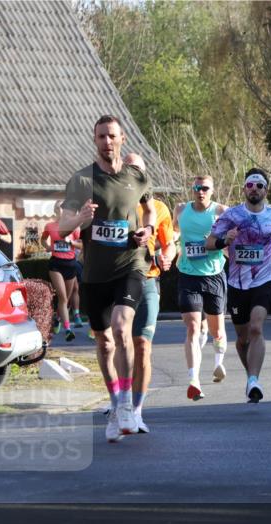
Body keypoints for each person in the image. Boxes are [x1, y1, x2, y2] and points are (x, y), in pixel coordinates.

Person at [60, 115, 155, 442]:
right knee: (104, 342)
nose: (107, 142)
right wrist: (79, 218)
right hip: (95, 275)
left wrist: (149, 229)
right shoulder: (82, 180)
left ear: (122, 138)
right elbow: (59, 227)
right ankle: (115, 403)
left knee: (121, 326)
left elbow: (149, 208)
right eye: (101, 136)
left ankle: (127, 404)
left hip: (130, 266)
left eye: (112, 136)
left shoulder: (136, 176)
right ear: (95, 139)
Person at [206, 168, 271, 403]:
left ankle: (254, 380)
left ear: (266, 190)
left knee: (256, 328)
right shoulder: (231, 215)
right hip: (237, 283)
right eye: (250, 185)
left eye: (259, 185)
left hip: (264, 280)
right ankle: (250, 375)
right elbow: (209, 243)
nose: (254, 189)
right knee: (242, 338)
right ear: (244, 188)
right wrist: (225, 240)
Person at [122, 153, 173, 433]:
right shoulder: (115, 202)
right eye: (129, 168)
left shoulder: (160, 208)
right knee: (121, 344)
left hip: (149, 282)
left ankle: (138, 410)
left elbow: (170, 244)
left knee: (142, 345)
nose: (133, 173)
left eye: (138, 169)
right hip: (119, 281)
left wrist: (167, 256)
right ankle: (120, 401)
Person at [171, 175, 229, 400]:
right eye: (196, 188)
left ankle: (218, 363)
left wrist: (221, 240)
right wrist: (171, 244)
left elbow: (233, 236)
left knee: (217, 331)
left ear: (212, 190)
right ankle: (193, 380)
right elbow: (174, 231)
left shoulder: (221, 212)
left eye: (204, 188)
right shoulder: (180, 209)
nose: (200, 191)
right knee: (193, 327)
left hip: (214, 275)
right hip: (188, 275)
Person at [42, 202, 83, 342]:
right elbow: (43, 239)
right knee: (63, 298)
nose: (62, 211)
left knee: (66, 300)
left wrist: (71, 243)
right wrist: (47, 246)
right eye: (60, 208)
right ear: (55, 210)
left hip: (70, 264)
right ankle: (68, 330)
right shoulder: (50, 226)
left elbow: (82, 245)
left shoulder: (75, 227)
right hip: (56, 264)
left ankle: (58, 318)